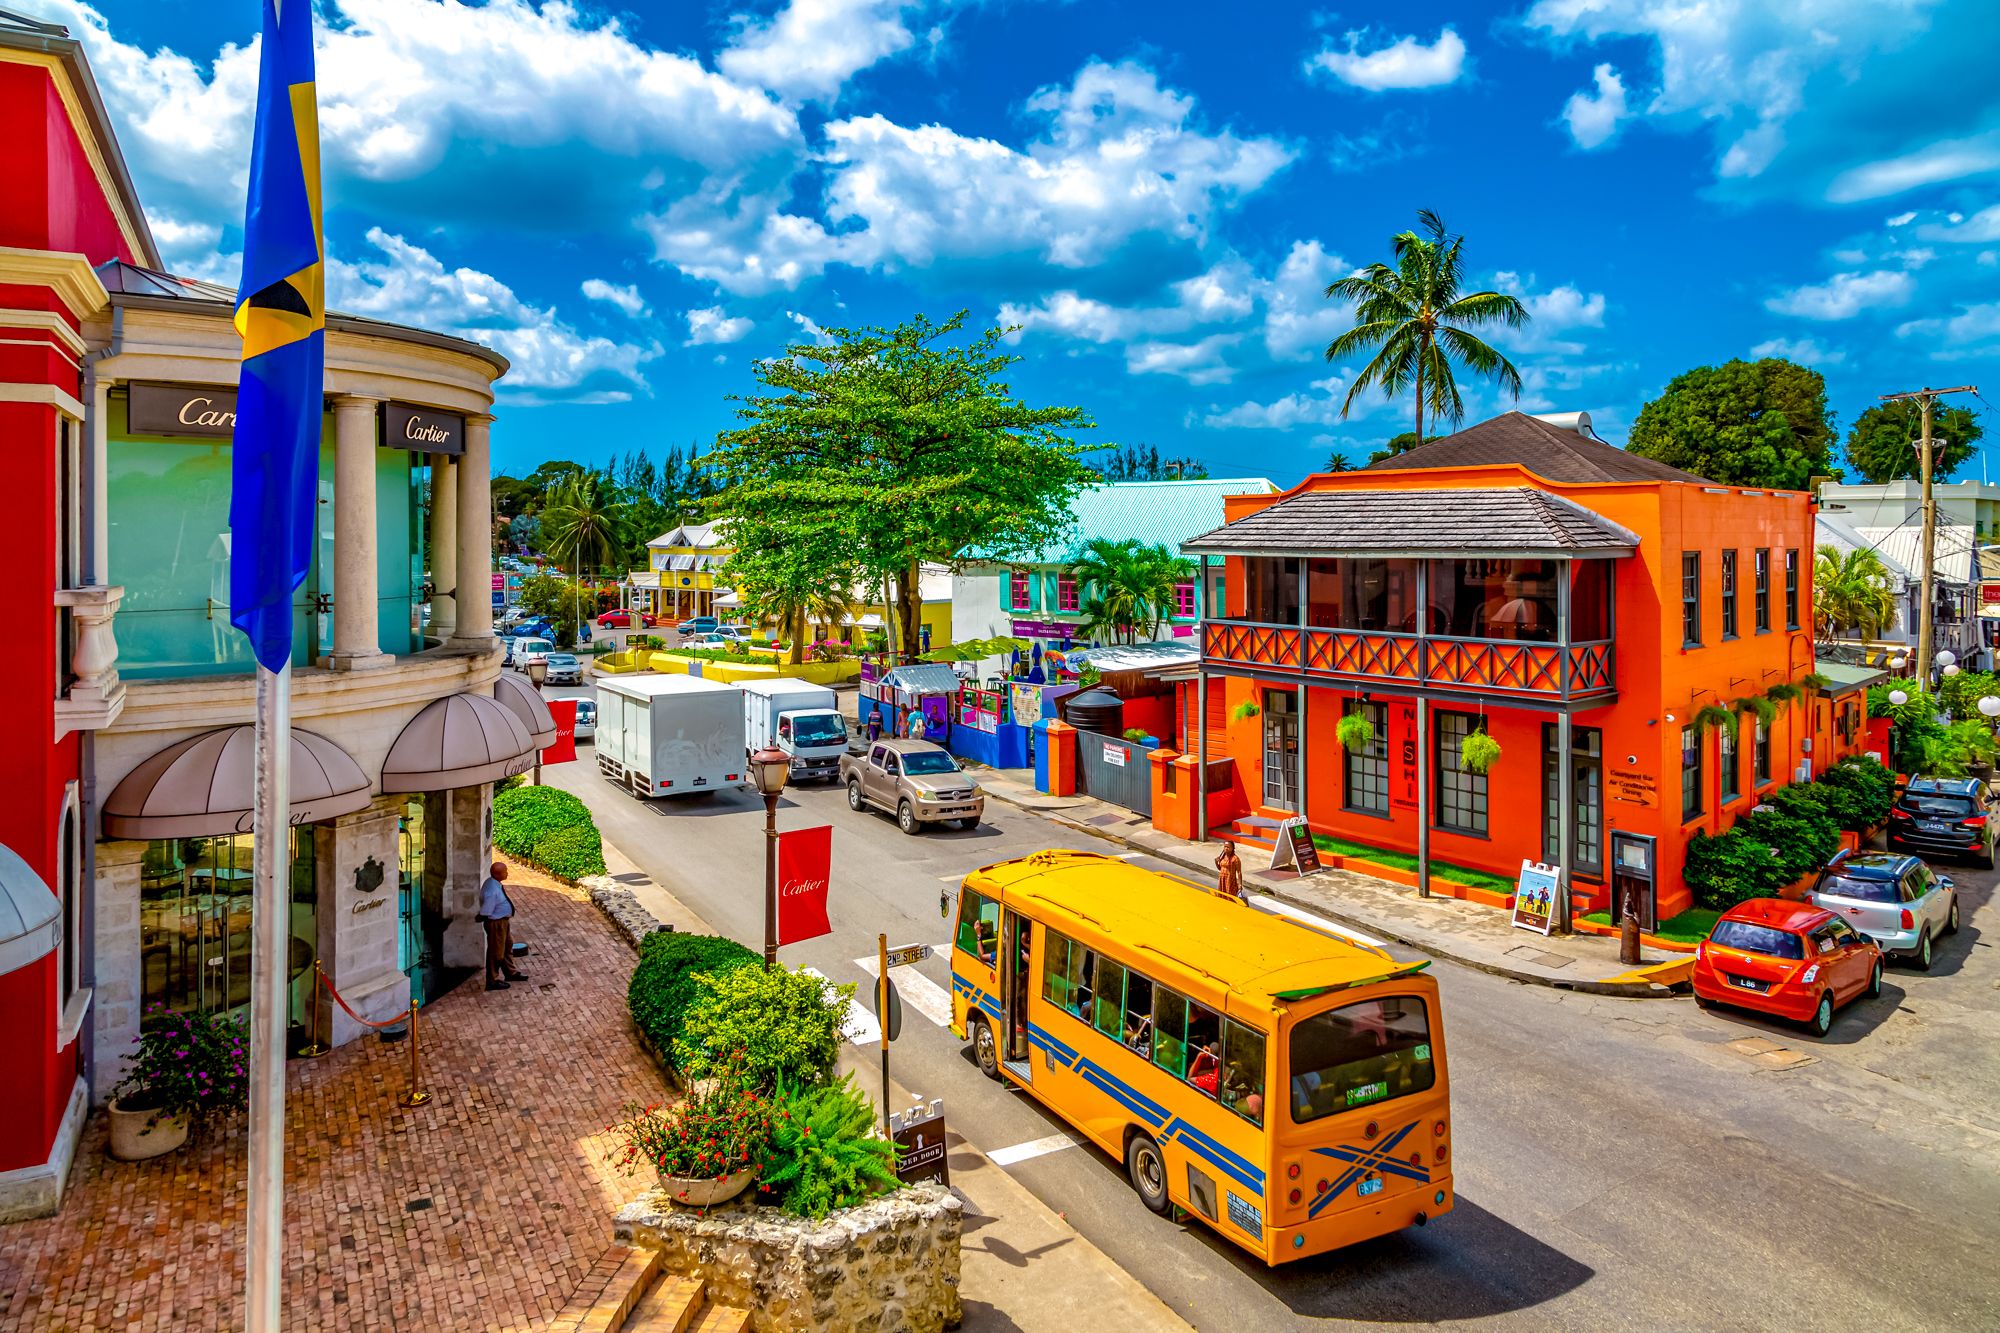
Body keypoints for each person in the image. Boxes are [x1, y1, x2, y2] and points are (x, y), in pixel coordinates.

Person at [478, 861, 527, 991]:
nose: (507, 873)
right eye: (505, 871)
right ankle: (492, 980)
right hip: (496, 923)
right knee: (496, 952)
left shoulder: (493, 883)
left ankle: (510, 972)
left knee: (507, 946)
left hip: (503, 922)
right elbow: (486, 911)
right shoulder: (492, 890)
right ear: (496, 874)